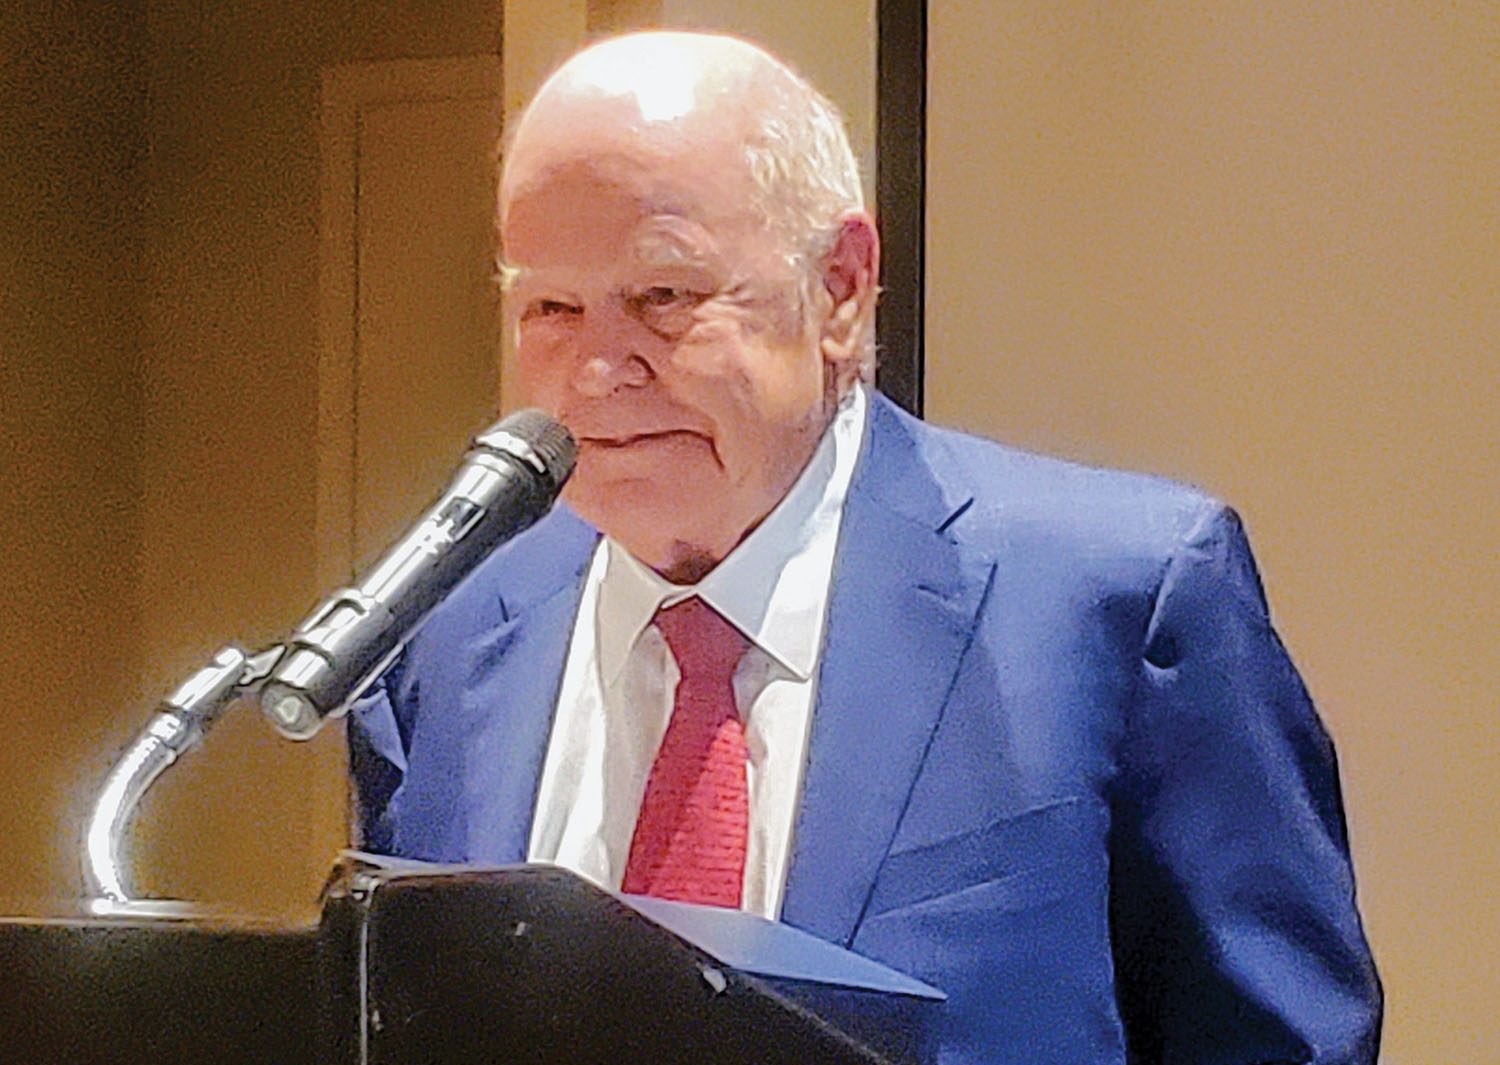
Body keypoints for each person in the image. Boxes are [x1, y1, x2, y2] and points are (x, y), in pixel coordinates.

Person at [348, 30, 1380, 1063]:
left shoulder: (1121, 600)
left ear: (840, 285)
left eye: (664, 298)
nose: (598, 369)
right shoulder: (447, 641)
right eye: (551, 308)